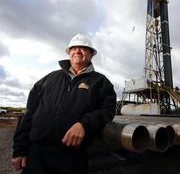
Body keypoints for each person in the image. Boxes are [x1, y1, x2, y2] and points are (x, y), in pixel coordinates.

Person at [12, 33, 117, 173]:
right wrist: (20, 149)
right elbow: (30, 113)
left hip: (71, 158)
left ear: (91, 55)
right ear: (69, 53)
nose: (77, 51)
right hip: (37, 154)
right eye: (74, 48)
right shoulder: (49, 79)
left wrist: (84, 124)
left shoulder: (101, 82)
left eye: (83, 48)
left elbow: (107, 112)